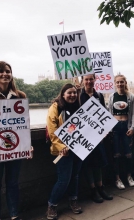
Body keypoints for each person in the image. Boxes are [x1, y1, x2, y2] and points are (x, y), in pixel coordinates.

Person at [0, 61, 34, 220]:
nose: (5, 74)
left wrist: (28, 145)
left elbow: (23, 124)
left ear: (11, 74)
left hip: (15, 148)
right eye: (1, 71)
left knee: (13, 184)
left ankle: (14, 215)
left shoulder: (20, 96)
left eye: (8, 71)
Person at [46, 83, 82, 219]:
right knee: (63, 179)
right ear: (63, 94)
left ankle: (73, 200)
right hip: (62, 150)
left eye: (74, 93)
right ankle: (52, 204)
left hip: (78, 148)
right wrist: (62, 147)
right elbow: (52, 130)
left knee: (75, 176)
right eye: (69, 93)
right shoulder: (56, 108)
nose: (72, 95)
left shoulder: (78, 107)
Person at [80, 74, 113, 202]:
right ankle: (93, 190)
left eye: (91, 79)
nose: (88, 81)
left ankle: (100, 187)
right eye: (86, 79)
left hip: (97, 135)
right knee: (88, 163)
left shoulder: (99, 96)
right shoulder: (78, 95)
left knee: (98, 162)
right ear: (83, 80)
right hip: (83, 135)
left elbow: (103, 113)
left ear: (95, 80)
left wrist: (105, 129)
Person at [108, 74, 134, 189]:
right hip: (115, 128)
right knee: (116, 154)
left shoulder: (130, 96)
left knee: (128, 154)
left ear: (125, 83)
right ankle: (117, 179)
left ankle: (129, 176)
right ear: (115, 84)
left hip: (126, 126)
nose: (120, 84)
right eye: (118, 82)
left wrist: (133, 127)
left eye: (122, 82)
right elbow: (109, 113)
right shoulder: (111, 97)